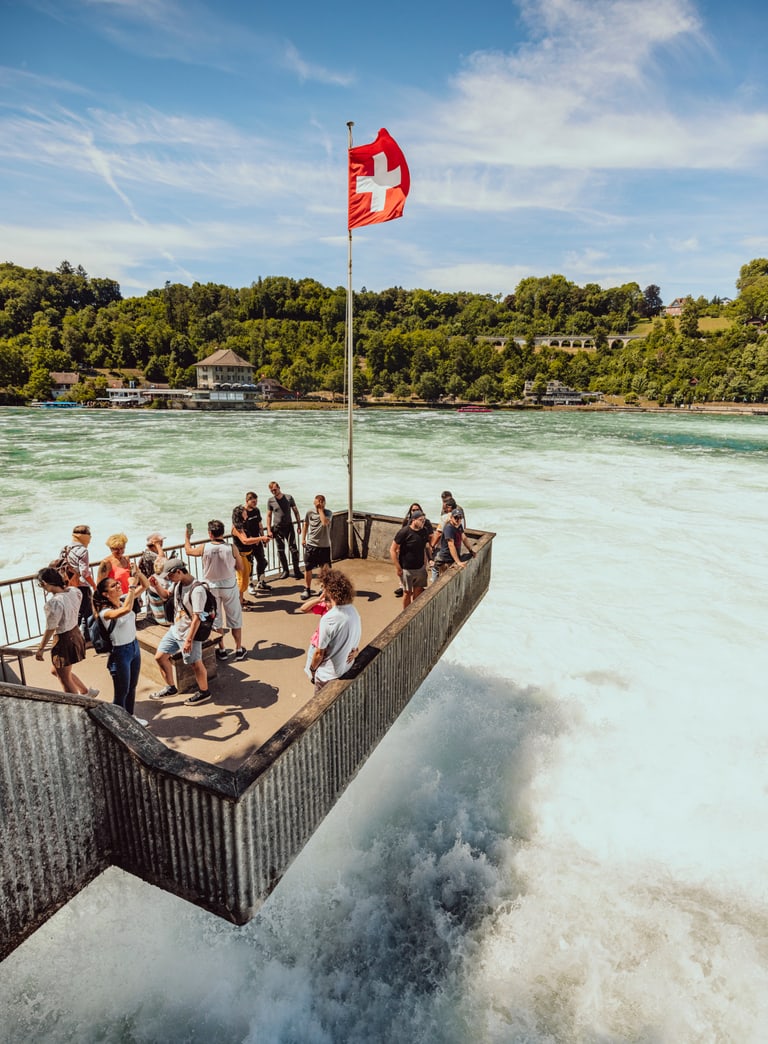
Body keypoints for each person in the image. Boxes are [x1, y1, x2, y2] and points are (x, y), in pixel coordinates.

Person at [150, 558, 214, 706]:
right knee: (160, 657)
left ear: (178, 571)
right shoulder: (178, 583)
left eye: (170, 576)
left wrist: (189, 640)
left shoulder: (197, 590)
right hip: (176, 629)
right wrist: (156, 585)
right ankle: (171, 688)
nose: (168, 579)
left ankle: (204, 692)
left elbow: (197, 618)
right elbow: (166, 595)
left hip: (189, 633)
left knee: (195, 664)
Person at [185, 519, 246, 661]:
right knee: (235, 618)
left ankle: (222, 649)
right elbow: (240, 567)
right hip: (229, 587)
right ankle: (238, 649)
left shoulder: (204, 547)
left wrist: (187, 537)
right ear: (222, 533)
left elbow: (188, 551)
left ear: (210, 534)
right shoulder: (231, 547)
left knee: (216, 620)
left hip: (211, 588)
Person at [93, 571, 149, 724]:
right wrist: (131, 586)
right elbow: (126, 610)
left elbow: (146, 585)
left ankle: (130, 717)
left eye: (117, 583)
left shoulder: (125, 599)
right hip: (120, 653)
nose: (118, 585)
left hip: (133, 647)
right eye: (113, 585)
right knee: (122, 691)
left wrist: (138, 574)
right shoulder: (105, 612)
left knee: (132, 686)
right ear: (105, 594)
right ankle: (118, 723)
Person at [34, 566, 98, 697]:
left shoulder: (54, 603)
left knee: (65, 679)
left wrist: (40, 649)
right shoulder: (75, 592)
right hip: (75, 633)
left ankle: (78, 706)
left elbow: (51, 628)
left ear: (45, 583)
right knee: (56, 671)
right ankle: (86, 692)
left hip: (63, 640)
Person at [308, 569, 361, 694]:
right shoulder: (354, 611)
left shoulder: (329, 618)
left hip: (328, 675)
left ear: (330, 591)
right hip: (346, 668)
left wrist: (312, 670)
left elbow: (319, 654)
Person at [58, 524, 96, 636]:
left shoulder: (65, 548)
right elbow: (84, 572)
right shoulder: (83, 550)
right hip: (81, 587)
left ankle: (87, 638)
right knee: (80, 614)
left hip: (68, 585)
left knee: (87, 612)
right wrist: (94, 585)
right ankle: (69, 638)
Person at [232, 492, 271, 596]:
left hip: (257, 540)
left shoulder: (256, 510)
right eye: (253, 501)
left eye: (256, 501)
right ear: (247, 501)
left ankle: (261, 581)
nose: (255, 503)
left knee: (262, 560)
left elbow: (260, 524)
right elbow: (243, 538)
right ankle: (250, 584)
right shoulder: (241, 515)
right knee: (250, 564)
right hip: (248, 543)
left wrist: (263, 538)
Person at [390, 509, 430, 609]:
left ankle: (414, 612)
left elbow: (426, 547)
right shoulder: (404, 532)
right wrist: (398, 568)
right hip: (406, 569)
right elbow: (392, 550)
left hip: (420, 568)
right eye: (421, 520)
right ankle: (405, 614)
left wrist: (426, 564)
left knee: (418, 590)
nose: (423, 522)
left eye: (424, 520)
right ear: (414, 520)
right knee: (407, 593)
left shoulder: (424, 531)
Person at [394, 502, 434, 598]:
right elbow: (394, 547)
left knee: (418, 588)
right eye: (413, 510)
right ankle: (403, 587)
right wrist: (398, 567)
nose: (415, 511)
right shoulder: (405, 527)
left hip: (420, 557)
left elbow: (429, 540)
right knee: (407, 592)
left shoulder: (425, 526)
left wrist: (430, 558)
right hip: (406, 565)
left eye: (417, 509)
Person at [296, 565, 330, 679]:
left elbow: (318, 654)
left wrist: (312, 669)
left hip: (320, 647)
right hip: (320, 646)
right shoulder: (325, 606)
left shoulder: (330, 609)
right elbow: (304, 608)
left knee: (315, 677)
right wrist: (318, 600)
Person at [266, 481, 303, 580]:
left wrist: (299, 525)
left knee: (293, 549)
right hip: (277, 529)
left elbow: (296, 511)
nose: (274, 491)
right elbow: (269, 516)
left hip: (289, 527)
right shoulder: (270, 501)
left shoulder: (289, 498)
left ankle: (297, 570)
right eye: (272, 490)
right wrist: (269, 530)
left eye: (275, 489)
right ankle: (285, 570)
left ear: (279, 487)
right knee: (280, 550)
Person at [430, 506, 476, 582]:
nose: (458, 520)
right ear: (451, 517)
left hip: (452, 558)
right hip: (446, 559)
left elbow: (464, 538)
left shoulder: (459, 526)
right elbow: (451, 545)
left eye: (460, 518)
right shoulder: (449, 528)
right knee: (442, 580)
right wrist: (458, 562)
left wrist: (471, 550)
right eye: (456, 517)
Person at [301, 494, 332, 600]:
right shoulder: (309, 512)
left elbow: (324, 523)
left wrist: (320, 510)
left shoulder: (328, 513)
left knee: (324, 570)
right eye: (318, 502)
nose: (320, 503)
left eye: (322, 502)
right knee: (308, 568)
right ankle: (307, 589)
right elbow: (305, 524)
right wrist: (303, 538)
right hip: (311, 545)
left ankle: (323, 588)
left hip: (324, 546)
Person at [139, 533, 170, 625]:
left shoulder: (148, 554)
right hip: (156, 583)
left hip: (154, 583)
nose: (162, 543)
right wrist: (158, 546)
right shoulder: (150, 554)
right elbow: (162, 560)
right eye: (160, 542)